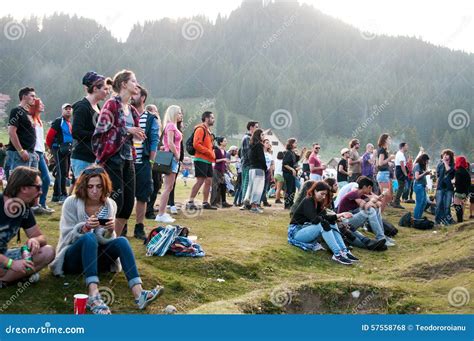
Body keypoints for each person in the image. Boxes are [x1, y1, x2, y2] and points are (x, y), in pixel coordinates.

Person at [49, 166, 162, 314]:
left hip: (96, 259)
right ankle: (93, 296)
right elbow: (66, 237)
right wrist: (84, 228)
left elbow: (107, 241)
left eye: (98, 186)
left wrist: (110, 231)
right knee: (89, 237)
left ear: (105, 187)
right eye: (90, 186)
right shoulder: (71, 202)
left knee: (121, 241)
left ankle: (139, 293)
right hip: (72, 260)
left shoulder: (110, 204)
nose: (94, 191)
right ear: (84, 186)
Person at [92, 69, 145, 236]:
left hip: (129, 158)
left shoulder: (133, 110)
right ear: (124, 84)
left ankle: (113, 240)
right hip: (112, 159)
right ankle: (103, 239)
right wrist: (126, 130)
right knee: (116, 202)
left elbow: (130, 136)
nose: (137, 84)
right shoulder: (111, 105)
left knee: (128, 205)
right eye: (134, 81)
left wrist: (136, 134)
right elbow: (101, 132)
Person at [0, 167, 55, 286]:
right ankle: (15, 276)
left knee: (48, 251)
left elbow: (41, 237)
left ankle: (4, 280)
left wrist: (35, 240)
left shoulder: (24, 208)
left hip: (3, 255)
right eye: (38, 187)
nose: (41, 192)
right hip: (4, 259)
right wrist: (10, 263)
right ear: (24, 188)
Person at [288, 181, 358, 265]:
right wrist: (328, 218)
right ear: (315, 191)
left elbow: (326, 218)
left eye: (325, 194)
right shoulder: (308, 200)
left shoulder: (318, 202)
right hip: (296, 233)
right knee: (322, 224)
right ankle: (337, 254)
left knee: (332, 222)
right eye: (322, 194)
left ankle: (344, 251)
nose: (324, 197)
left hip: (306, 230)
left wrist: (339, 215)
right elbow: (315, 220)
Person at [130, 87, 159, 239]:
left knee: (143, 195)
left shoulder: (150, 118)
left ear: (142, 98)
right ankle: (120, 226)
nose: (131, 96)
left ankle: (139, 227)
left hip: (143, 162)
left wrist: (151, 160)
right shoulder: (125, 114)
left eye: (135, 94)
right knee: (124, 196)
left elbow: (154, 140)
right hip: (125, 162)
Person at [71, 71, 110, 178]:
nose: (108, 92)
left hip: (95, 158)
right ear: (95, 89)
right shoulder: (82, 107)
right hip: (83, 158)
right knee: (84, 193)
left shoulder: (99, 107)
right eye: (105, 89)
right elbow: (76, 132)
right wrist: (98, 134)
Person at [337, 176, 395, 247]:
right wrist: (375, 200)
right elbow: (365, 206)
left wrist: (374, 201)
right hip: (343, 223)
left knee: (375, 209)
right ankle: (380, 238)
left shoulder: (362, 195)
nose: (371, 190)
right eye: (370, 188)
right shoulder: (354, 193)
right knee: (370, 210)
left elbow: (378, 204)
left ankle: (382, 236)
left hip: (350, 220)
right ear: (364, 187)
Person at [155, 105, 183, 223]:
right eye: (179, 113)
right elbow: (171, 143)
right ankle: (161, 213)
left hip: (172, 157)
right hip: (172, 158)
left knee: (169, 187)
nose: (181, 115)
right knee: (168, 187)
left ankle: (162, 212)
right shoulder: (171, 126)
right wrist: (177, 156)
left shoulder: (172, 126)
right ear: (174, 114)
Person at [187, 111, 217, 210]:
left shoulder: (208, 131)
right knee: (200, 180)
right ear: (206, 118)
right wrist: (208, 152)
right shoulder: (200, 129)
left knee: (209, 180)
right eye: (212, 118)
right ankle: (190, 202)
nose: (213, 119)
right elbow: (196, 144)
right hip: (200, 159)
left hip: (208, 160)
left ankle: (205, 202)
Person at [29, 98, 54, 215]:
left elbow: (39, 140)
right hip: (35, 152)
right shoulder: (31, 120)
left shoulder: (39, 121)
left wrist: (44, 154)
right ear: (35, 106)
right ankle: (37, 204)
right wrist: (35, 152)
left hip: (40, 152)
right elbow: (31, 139)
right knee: (43, 179)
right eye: (41, 104)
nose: (43, 105)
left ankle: (41, 204)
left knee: (43, 179)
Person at [46, 103, 74, 204]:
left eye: (70, 109)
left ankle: (55, 195)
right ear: (62, 111)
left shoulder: (69, 123)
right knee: (62, 172)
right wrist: (52, 150)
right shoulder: (59, 121)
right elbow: (49, 136)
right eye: (66, 109)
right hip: (58, 149)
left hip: (67, 150)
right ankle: (63, 194)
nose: (68, 110)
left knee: (63, 172)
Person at [7, 87, 39, 171]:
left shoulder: (28, 113)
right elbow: (11, 132)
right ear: (24, 97)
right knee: (20, 182)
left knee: (31, 182)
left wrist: (33, 152)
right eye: (32, 96)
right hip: (19, 154)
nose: (34, 98)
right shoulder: (16, 111)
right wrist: (20, 151)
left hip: (31, 153)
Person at [145, 105, 163, 220]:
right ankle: (148, 210)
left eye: (156, 111)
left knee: (157, 184)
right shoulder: (149, 123)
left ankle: (149, 208)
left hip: (157, 158)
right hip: (150, 158)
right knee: (152, 184)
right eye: (154, 111)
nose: (156, 113)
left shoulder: (157, 126)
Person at [244, 129, 267, 213]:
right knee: (258, 188)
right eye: (262, 135)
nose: (264, 136)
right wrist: (265, 167)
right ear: (259, 136)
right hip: (258, 169)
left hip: (252, 169)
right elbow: (262, 158)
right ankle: (254, 206)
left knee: (252, 187)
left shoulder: (251, 145)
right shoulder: (259, 145)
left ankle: (250, 203)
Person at [239, 121, 259, 210]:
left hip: (250, 165)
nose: (258, 129)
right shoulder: (247, 138)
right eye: (256, 127)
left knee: (250, 184)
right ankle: (245, 203)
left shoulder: (251, 138)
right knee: (247, 183)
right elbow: (248, 153)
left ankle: (248, 202)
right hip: (248, 164)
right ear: (251, 127)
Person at [435, 149, 456, 225]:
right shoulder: (439, 165)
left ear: (450, 156)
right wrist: (436, 188)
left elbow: (449, 170)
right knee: (438, 205)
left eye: (447, 154)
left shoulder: (453, 164)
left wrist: (445, 162)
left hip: (449, 188)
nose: (445, 156)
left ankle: (447, 221)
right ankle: (437, 221)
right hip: (440, 187)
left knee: (447, 206)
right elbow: (437, 176)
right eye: (444, 154)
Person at [376, 133, 395, 212]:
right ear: (385, 140)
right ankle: (379, 213)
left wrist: (388, 162)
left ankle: (378, 211)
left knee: (387, 196)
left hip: (384, 174)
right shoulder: (382, 150)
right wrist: (389, 158)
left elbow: (380, 163)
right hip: (383, 175)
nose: (390, 140)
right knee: (385, 196)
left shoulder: (383, 150)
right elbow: (380, 163)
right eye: (389, 138)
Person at [211, 137, 232, 208]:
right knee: (216, 186)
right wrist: (223, 159)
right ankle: (213, 202)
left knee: (223, 186)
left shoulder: (225, 151)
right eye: (225, 141)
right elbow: (214, 160)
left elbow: (224, 161)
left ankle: (223, 202)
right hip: (216, 170)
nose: (226, 142)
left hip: (222, 170)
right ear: (221, 143)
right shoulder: (217, 150)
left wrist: (231, 161)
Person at [282, 138, 299, 209]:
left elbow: (297, 159)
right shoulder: (288, 152)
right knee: (289, 189)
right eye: (295, 143)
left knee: (293, 189)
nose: (296, 144)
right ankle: (287, 204)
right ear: (291, 144)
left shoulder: (292, 152)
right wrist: (292, 169)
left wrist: (302, 153)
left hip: (291, 174)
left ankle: (291, 203)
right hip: (287, 173)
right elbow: (285, 164)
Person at [413, 153, 431, 220]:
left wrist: (425, 184)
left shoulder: (421, 166)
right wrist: (425, 173)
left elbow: (422, 177)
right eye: (426, 161)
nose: (427, 162)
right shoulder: (417, 165)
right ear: (423, 160)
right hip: (418, 186)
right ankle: (416, 218)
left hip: (422, 186)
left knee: (424, 202)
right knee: (420, 202)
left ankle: (419, 217)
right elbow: (417, 177)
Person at [453, 156, 470, 223]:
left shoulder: (458, 171)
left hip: (459, 191)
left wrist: (453, 183)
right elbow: (468, 183)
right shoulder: (466, 171)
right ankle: (461, 219)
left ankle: (459, 220)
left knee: (457, 205)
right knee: (462, 205)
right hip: (465, 192)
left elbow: (458, 182)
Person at [392, 142, 409, 209]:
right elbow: (402, 165)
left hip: (399, 170)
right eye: (406, 146)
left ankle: (396, 201)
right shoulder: (400, 154)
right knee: (401, 187)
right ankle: (396, 202)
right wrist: (405, 174)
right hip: (400, 171)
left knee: (401, 187)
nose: (407, 147)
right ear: (403, 147)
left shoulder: (400, 154)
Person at [260, 139, 274, 207]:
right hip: (261, 170)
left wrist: (271, 175)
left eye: (269, 143)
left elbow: (271, 165)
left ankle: (264, 201)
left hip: (267, 171)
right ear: (263, 144)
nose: (268, 144)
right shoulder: (260, 152)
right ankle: (259, 201)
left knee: (265, 187)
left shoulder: (269, 154)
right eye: (266, 143)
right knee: (260, 187)